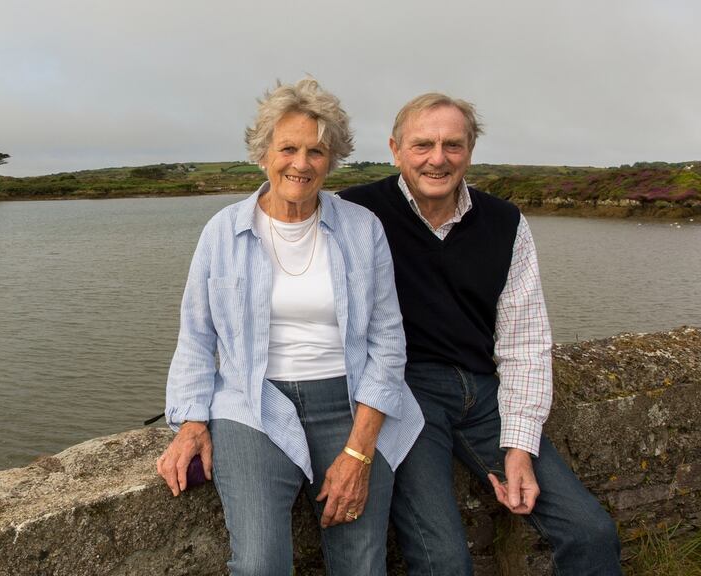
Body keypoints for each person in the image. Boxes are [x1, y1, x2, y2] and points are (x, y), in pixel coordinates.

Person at [338, 93, 622, 575]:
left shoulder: (506, 222)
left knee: (590, 531)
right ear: (395, 149)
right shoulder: (354, 213)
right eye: (422, 144)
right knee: (445, 561)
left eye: (453, 144)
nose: (438, 158)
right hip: (404, 396)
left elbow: (524, 342)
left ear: (470, 150)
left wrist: (518, 447)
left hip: (484, 392)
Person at [156, 77, 424, 575]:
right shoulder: (222, 232)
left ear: (332, 160)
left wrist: (359, 452)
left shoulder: (363, 228)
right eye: (288, 149)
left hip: (348, 401)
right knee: (259, 564)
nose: (301, 164)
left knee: (362, 565)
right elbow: (196, 335)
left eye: (317, 152)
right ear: (263, 154)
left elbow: (389, 342)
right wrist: (191, 420)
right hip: (251, 403)